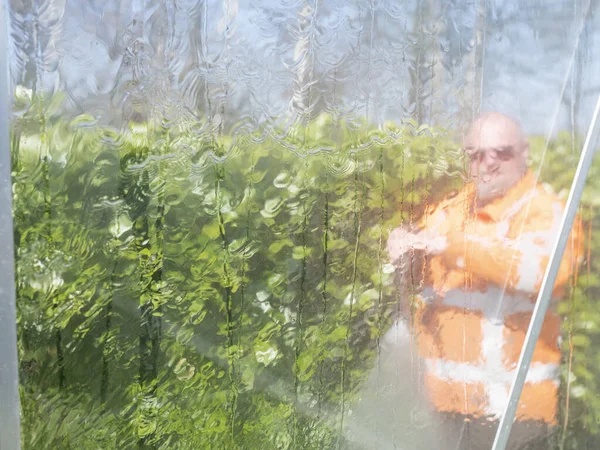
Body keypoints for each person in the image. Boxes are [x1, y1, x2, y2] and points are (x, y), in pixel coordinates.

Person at [384, 112, 584, 450]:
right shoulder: (447, 211)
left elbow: (544, 270)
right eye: (476, 153)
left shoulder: (548, 213)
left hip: (515, 413)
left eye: (501, 152)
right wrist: (403, 249)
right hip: (445, 408)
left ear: (524, 155)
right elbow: (427, 289)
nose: (488, 163)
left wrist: (451, 246)